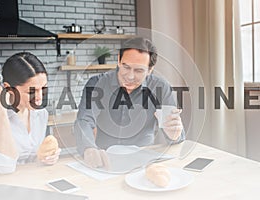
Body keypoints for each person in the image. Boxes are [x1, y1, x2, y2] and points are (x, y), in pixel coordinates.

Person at [74, 37, 185, 168]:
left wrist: (174, 134)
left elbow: (176, 134)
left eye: (139, 70)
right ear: (118, 61)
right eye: (126, 67)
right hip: (105, 159)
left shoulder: (160, 87)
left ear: (150, 69)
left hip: (144, 160)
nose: (130, 76)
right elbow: (84, 120)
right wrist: (88, 148)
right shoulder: (97, 83)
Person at [0, 52, 60, 174]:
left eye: (43, 88)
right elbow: (5, 166)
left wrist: (44, 158)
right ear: (8, 88)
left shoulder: (40, 114)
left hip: (22, 180)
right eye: (31, 92)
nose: (39, 98)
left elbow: (29, 157)